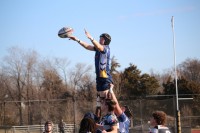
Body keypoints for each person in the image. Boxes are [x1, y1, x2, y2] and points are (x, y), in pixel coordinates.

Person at [69, 29, 113, 99]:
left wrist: (91, 38)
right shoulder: (98, 49)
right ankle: (120, 110)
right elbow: (87, 46)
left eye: (101, 39)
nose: (99, 40)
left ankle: (119, 110)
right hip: (99, 77)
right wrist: (77, 39)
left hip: (105, 78)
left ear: (105, 41)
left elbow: (99, 46)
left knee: (106, 100)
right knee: (102, 100)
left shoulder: (105, 48)